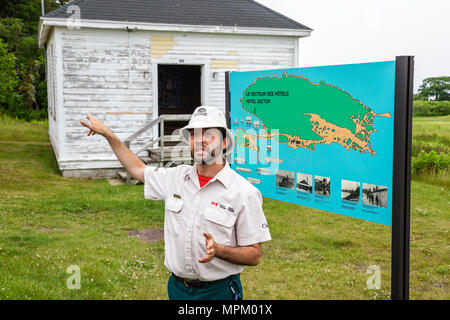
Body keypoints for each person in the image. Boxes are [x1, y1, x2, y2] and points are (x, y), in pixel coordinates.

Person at [80, 106, 271, 300]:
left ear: (225, 143)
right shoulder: (176, 178)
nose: (200, 140)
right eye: (194, 135)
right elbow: (138, 170)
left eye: (209, 134)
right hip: (177, 289)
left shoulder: (244, 192)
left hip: (219, 292)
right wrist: (108, 134)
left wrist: (220, 250)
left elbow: (254, 255)